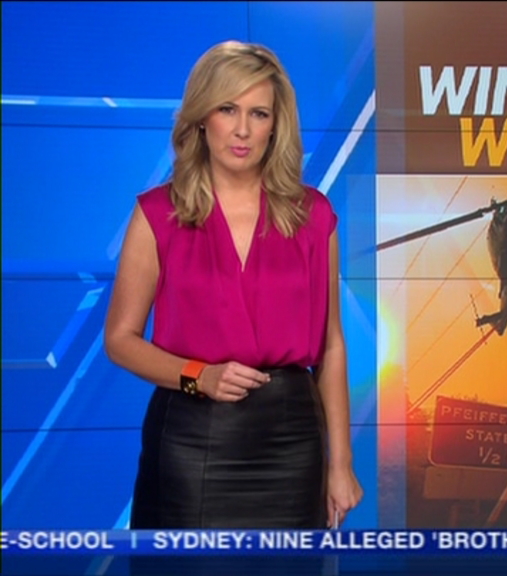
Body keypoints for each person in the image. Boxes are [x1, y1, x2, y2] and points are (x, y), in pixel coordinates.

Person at [104, 40, 362, 530]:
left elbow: (331, 346)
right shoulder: (157, 214)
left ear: (275, 126)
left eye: (259, 114)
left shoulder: (313, 216)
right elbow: (120, 339)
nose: (242, 129)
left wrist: (341, 464)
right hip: (190, 441)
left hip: (292, 443)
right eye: (228, 109)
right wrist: (198, 376)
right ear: (202, 118)